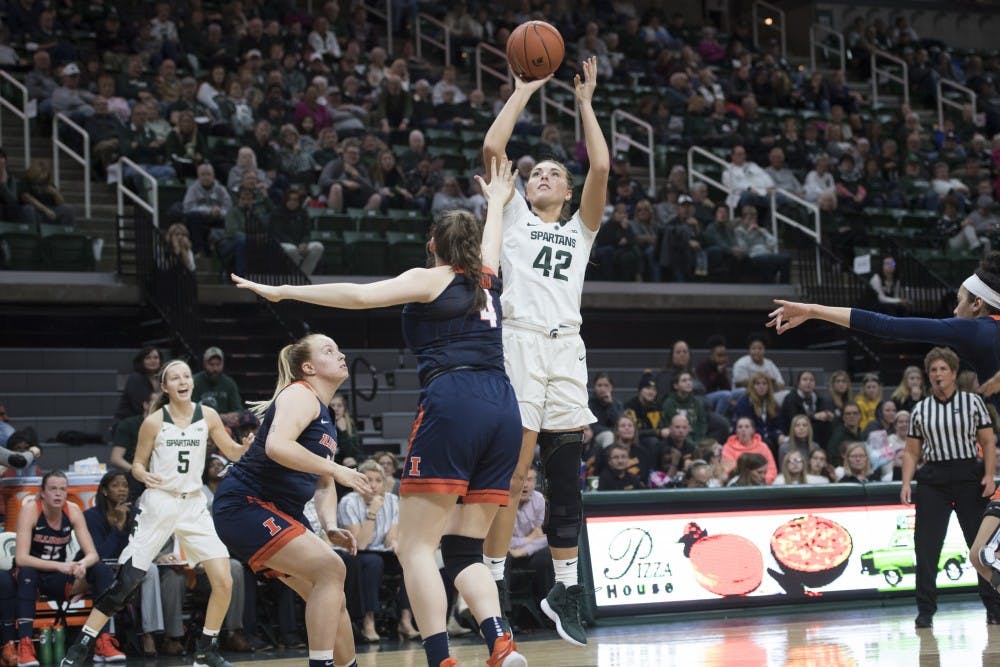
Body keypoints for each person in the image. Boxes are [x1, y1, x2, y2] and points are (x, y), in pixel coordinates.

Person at [231, 155, 527, 667]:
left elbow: (358, 295)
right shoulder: (487, 276)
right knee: (463, 550)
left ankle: (441, 659)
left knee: (414, 545)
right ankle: (500, 641)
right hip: (504, 406)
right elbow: (493, 236)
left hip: (455, 399)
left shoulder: (433, 276)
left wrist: (284, 289)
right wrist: (497, 202)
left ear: (433, 244)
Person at [480, 56, 610, 649]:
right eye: (538, 173)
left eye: (554, 173)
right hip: (522, 344)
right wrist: (523, 91)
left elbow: (602, 164)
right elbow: (492, 148)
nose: (543, 177)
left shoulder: (581, 228)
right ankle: (497, 587)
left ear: (567, 188)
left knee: (567, 478)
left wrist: (584, 101)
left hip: (568, 349)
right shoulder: (511, 219)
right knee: (516, 474)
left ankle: (566, 590)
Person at [59, 360, 249, 667]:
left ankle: (206, 649)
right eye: (175, 378)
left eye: (186, 375)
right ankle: (83, 643)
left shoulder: (209, 415)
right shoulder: (154, 422)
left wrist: (246, 448)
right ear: (165, 387)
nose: (183, 381)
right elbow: (137, 463)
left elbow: (232, 451)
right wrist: (142, 474)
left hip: (193, 504)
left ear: (192, 382)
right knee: (127, 582)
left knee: (224, 579)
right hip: (159, 502)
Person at [207, 334, 370, 667]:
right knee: (331, 569)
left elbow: (323, 483)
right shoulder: (299, 394)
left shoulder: (326, 417)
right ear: (308, 367)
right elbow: (277, 446)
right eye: (329, 350)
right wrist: (337, 468)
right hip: (246, 504)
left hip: (279, 511)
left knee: (331, 596)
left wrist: (330, 525)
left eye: (339, 349)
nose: (341, 355)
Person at [902, 348, 998, 627]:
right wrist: (906, 482)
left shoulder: (972, 402)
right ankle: (925, 611)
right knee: (927, 546)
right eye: (933, 370)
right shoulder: (921, 408)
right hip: (934, 477)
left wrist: (990, 475)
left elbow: (989, 441)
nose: (937, 374)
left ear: (954, 373)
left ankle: (993, 606)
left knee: (980, 545)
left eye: (943, 369)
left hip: (969, 473)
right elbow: (910, 451)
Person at [15, 471, 120, 667]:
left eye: (62, 489)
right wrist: (61, 565)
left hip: (59, 579)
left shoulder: (72, 510)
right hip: (32, 577)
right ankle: (25, 645)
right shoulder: (31, 509)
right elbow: (21, 558)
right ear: (42, 493)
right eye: (53, 489)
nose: (58, 494)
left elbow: (92, 554)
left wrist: (81, 564)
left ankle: (102, 640)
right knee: (27, 574)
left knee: (101, 570)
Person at [83, 470, 166, 657]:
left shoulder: (136, 513)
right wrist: (119, 527)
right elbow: (100, 554)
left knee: (151, 569)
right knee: (104, 573)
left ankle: (148, 633)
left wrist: (158, 554)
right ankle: (106, 637)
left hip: (127, 568)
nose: (121, 490)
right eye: (115, 486)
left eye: (125, 486)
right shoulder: (91, 516)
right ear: (104, 490)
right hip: (99, 570)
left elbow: (142, 545)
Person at [338, 459, 416, 643]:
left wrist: (396, 543)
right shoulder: (348, 502)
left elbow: (391, 538)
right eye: (368, 480)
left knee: (410, 561)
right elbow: (361, 544)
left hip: (382, 552)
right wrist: (372, 512)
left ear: (383, 483)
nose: (373, 485)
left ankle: (405, 620)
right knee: (374, 562)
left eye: (377, 481)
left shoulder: (392, 500)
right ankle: (368, 622)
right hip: (356, 554)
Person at [193, 347, 244, 421]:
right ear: (204, 363)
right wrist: (221, 417)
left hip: (225, 428)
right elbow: (190, 411)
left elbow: (239, 412)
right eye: (211, 364)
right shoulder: (195, 382)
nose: (215, 369)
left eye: (218, 364)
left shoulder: (229, 383)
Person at [721, 417, 777, 484]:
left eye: (747, 427)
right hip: (738, 483)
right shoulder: (728, 447)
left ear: (753, 430)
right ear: (736, 431)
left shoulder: (763, 446)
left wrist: (765, 481)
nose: (743, 429)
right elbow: (729, 469)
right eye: (740, 427)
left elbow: (771, 468)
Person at [113, 347, 162, 422]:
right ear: (142, 361)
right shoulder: (135, 379)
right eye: (148, 358)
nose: (152, 361)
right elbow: (140, 406)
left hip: (151, 420)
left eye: (156, 357)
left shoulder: (162, 378)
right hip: (129, 423)